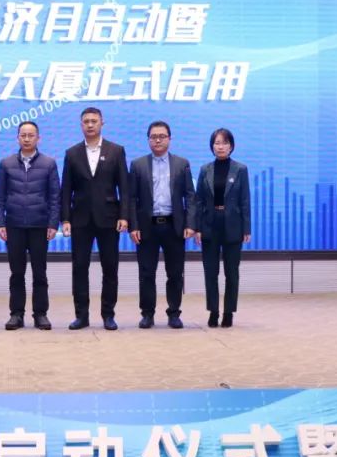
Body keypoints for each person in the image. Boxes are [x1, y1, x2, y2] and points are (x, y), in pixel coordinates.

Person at [60, 107, 129, 330]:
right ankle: (81, 316)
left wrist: (124, 216)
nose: (90, 125)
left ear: (102, 123)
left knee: (110, 268)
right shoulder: (72, 153)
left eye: (94, 121)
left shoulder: (116, 151)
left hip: (109, 218)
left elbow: (124, 187)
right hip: (80, 220)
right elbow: (66, 189)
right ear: (81, 125)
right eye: (86, 121)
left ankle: (108, 315)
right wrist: (65, 219)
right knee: (80, 268)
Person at [129, 121, 196, 329]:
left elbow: (190, 196)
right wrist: (133, 226)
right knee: (146, 273)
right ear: (148, 140)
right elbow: (131, 198)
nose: (157, 140)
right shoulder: (138, 165)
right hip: (146, 227)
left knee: (175, 273)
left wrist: (190, 223)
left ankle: (174, 313)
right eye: (153, 137)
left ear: (169, 139)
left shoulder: (181, 164)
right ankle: (147, 314)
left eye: (162, 136)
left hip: (174, 226)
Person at [0, 121, 60, 331]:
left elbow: (55, 197)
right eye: (23, 135)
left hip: (40, 226)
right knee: (17, 273)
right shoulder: (6, 164)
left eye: (31, 135)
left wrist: (53, 223)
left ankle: (41, 314)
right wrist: (0, 223)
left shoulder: (49, 164)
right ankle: (16, 314)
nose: (27, 138)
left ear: (38, 138)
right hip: (14, 226)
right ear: (17, 138)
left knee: (40, 272)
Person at [194, 128, 251, 329]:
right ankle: (213, 311)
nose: (220, 146)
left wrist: (247, 228)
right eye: (217, 143)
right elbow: (199, 201)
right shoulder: (205, 170)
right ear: (212, 146)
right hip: (209, 225)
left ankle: (228, 312)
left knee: (231, 273)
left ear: (231, 146)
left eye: (224, 143)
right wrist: (197, 227)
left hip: (233, 225)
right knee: (211, 272)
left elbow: (245, 200)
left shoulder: (240, 169)